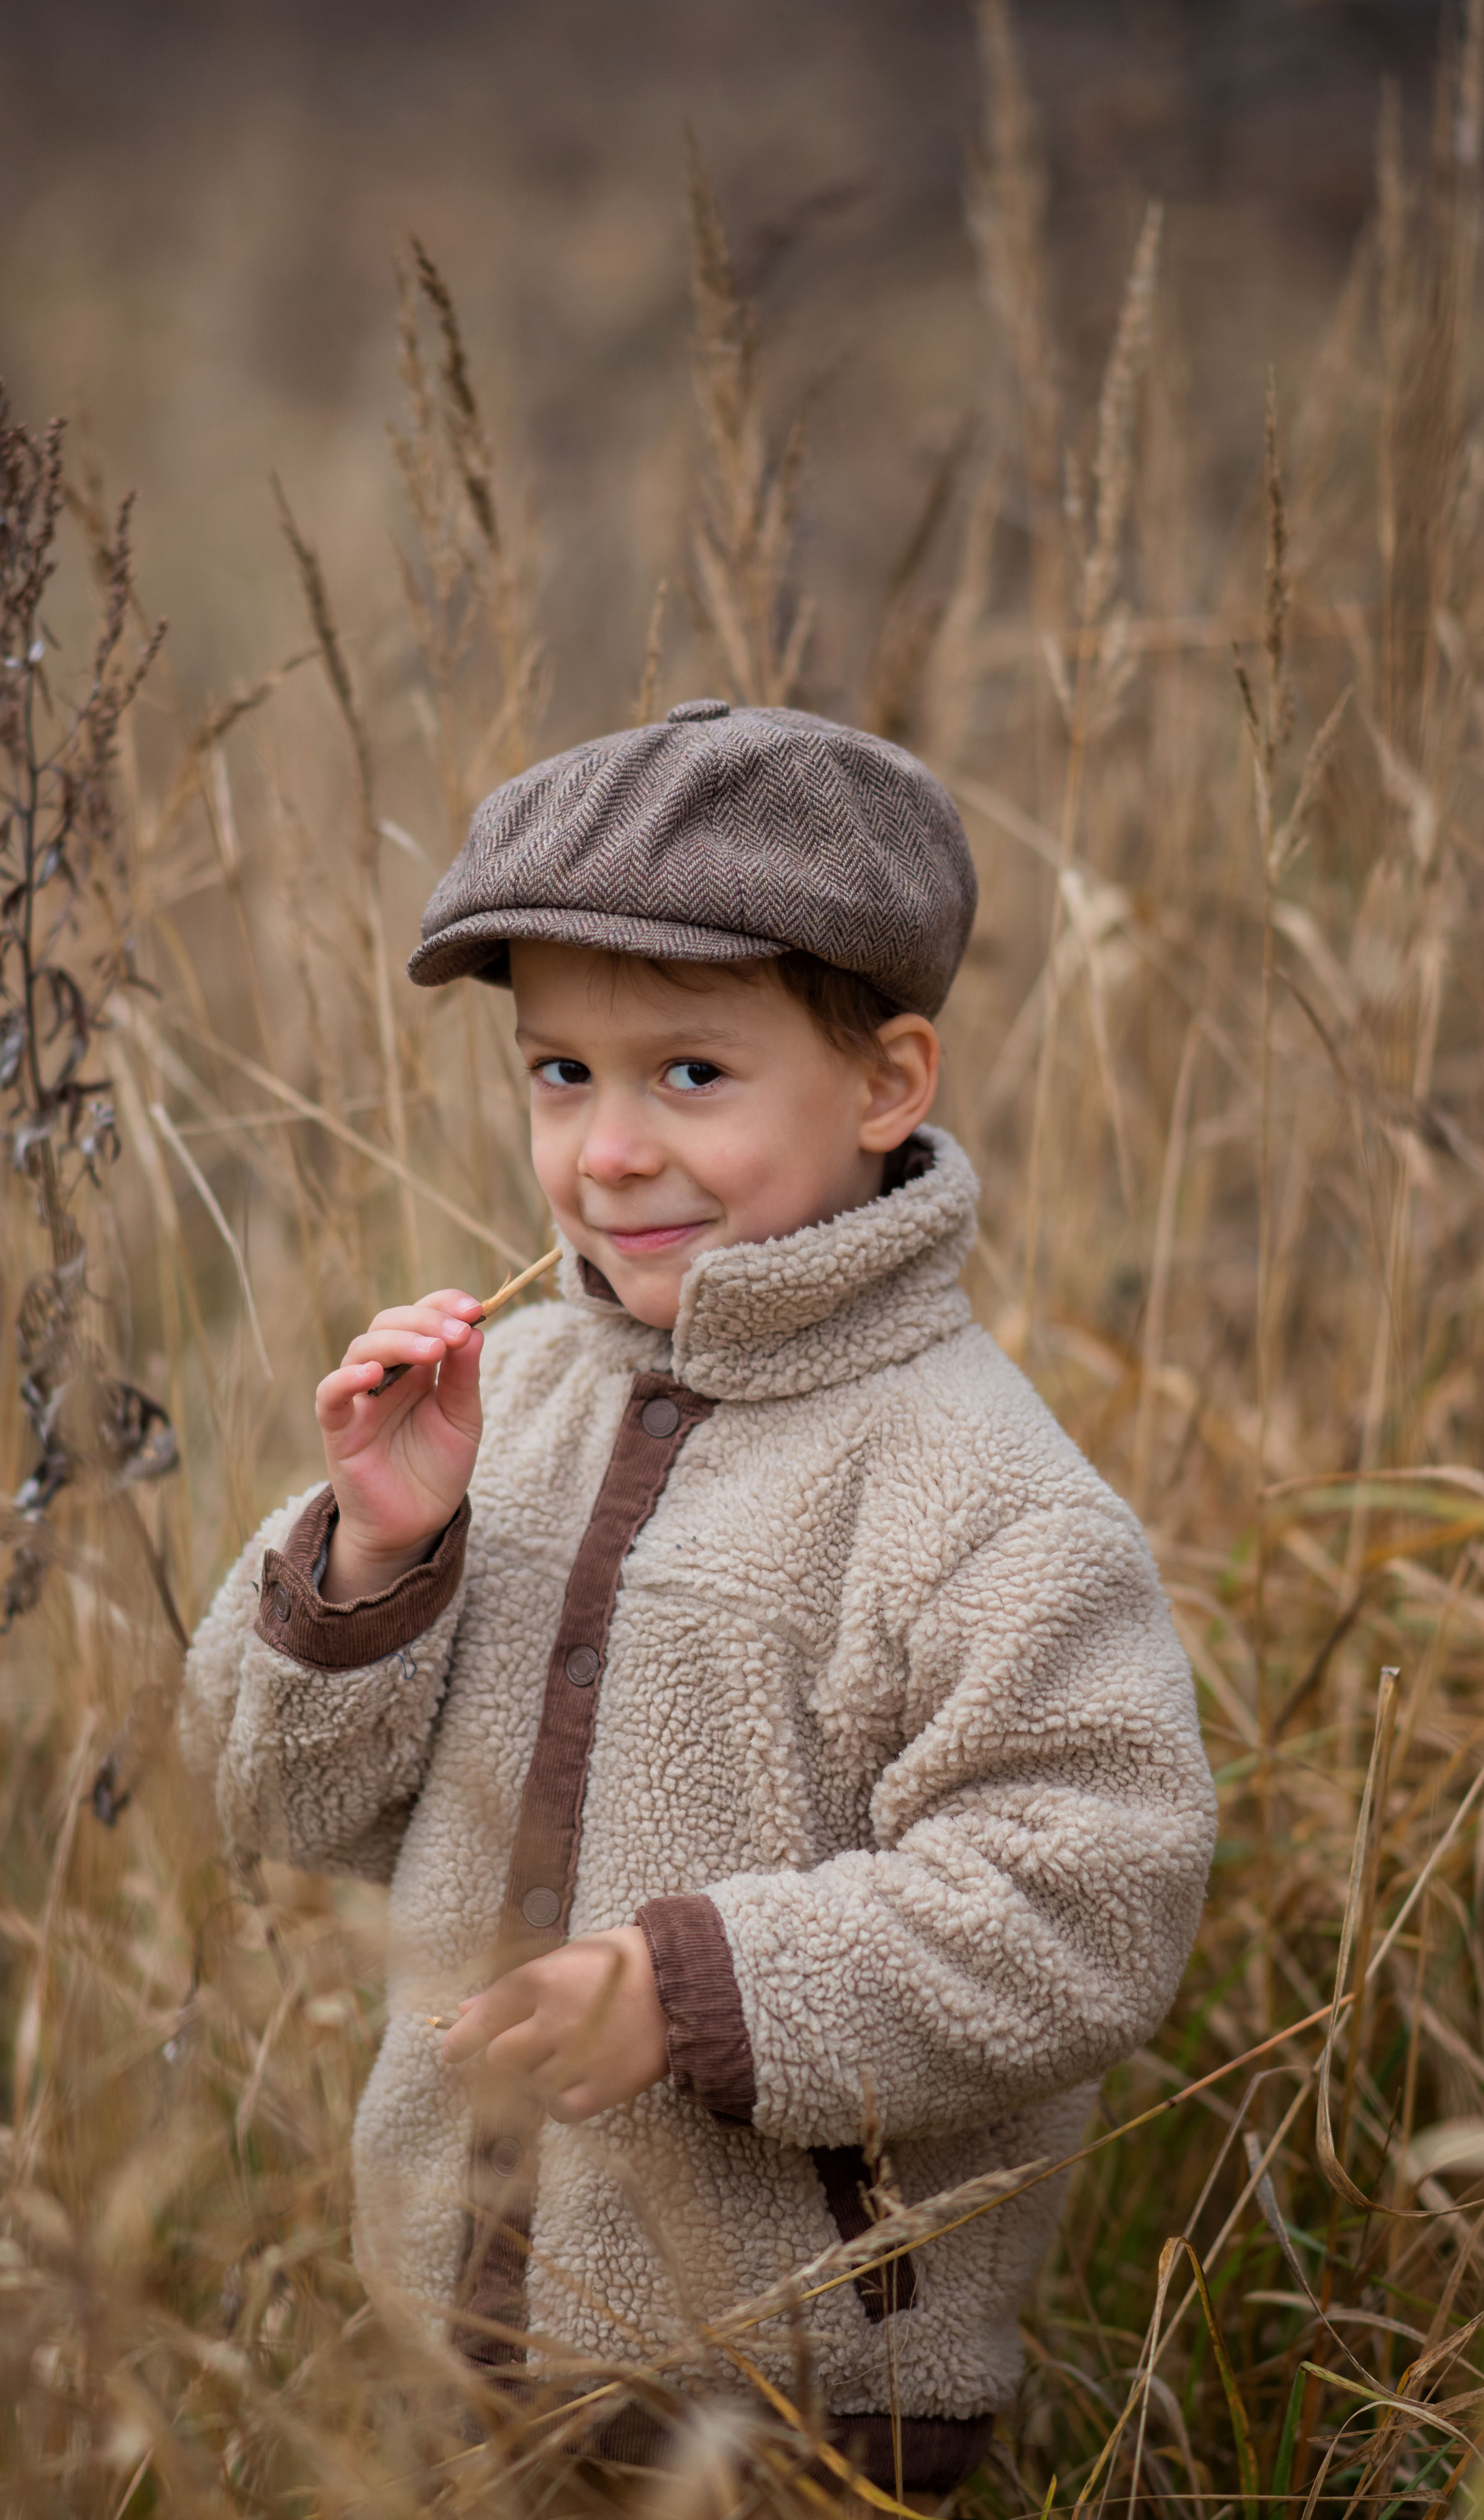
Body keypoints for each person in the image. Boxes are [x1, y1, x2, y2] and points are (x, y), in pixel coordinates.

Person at [181, 698, 1216, 2504]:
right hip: (440, 2371)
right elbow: (266, 1798)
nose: (606, 1151)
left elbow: (1093, 1899)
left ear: (888, 1084)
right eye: (559, 1072)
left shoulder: (979, 1488)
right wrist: (374, 1561)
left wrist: (699, 1987)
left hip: (790, 2402)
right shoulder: (507, 1409)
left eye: (690, 1075)